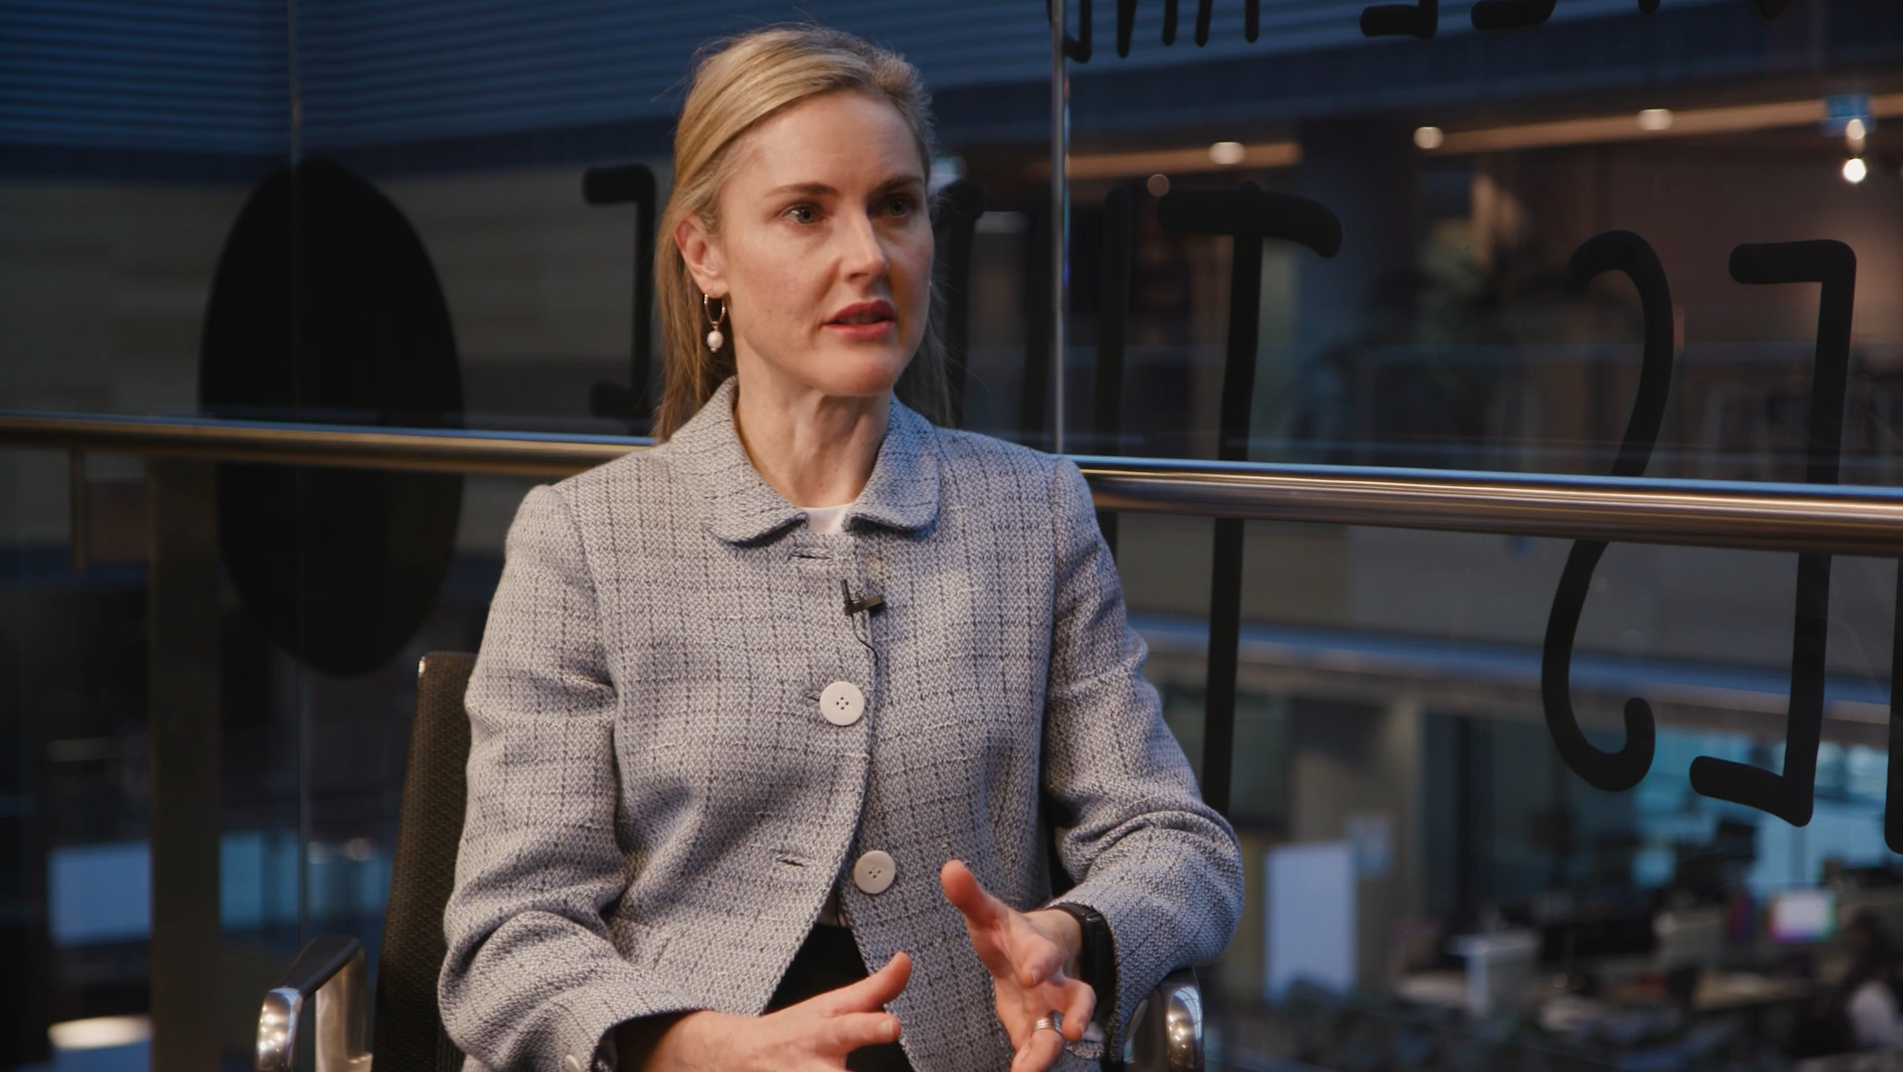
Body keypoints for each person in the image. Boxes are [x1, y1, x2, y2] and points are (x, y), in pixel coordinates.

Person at [438, 25, 1242, 1072]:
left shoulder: (1033, 511)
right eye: (806, 212)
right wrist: (691, 1048)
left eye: (895, 206)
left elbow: (1177, 845)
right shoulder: (583, 539)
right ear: (705, 254)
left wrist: (1069, 932)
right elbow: (507, 935)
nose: (868, 256)